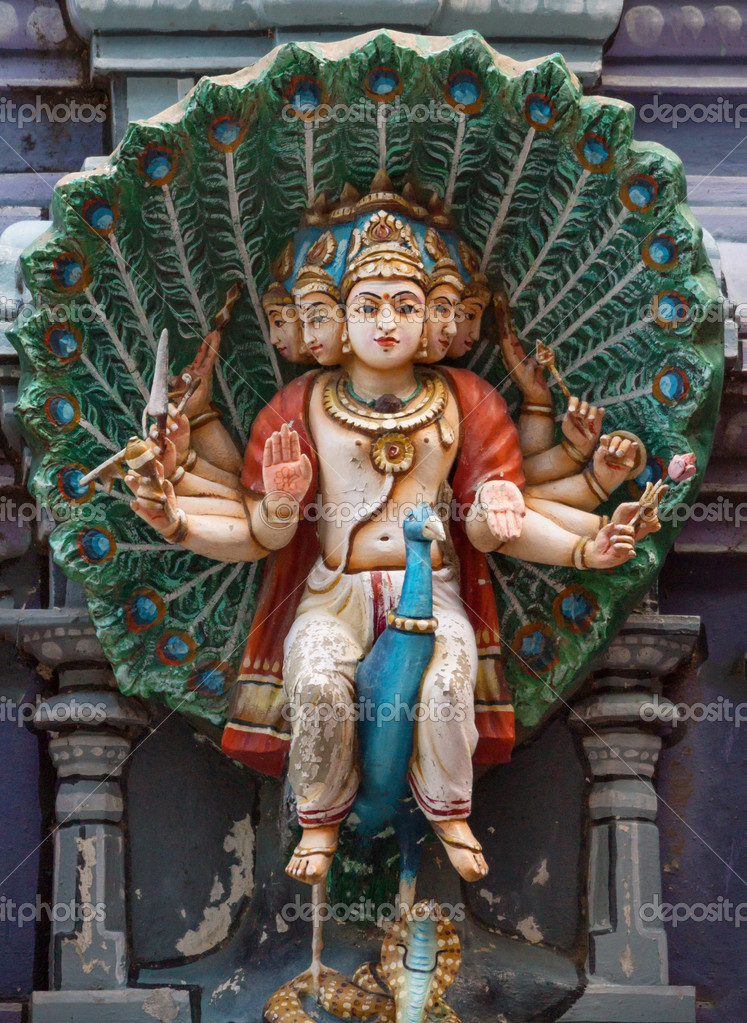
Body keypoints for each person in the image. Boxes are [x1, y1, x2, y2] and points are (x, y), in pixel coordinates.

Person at [126, 185, 640, 888]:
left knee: (448, 683)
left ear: (435, 315)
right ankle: (320, 817)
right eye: (366, 305)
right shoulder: (298, 404)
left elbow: (492, 530)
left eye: (406, 304)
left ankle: (448, 809)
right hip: (331, 591)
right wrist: (248, 508)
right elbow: (263, 533)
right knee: (314, 681)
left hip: (432, 589)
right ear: (331, 317)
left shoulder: (467, 399)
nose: (387, 323)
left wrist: (533, 523)